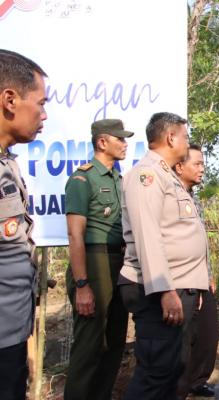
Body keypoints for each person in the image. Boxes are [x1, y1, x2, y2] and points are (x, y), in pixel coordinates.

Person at [118, 112, 209, 400]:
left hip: (178, 285)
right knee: (156, 372)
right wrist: (165, 289)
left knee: (172, 367)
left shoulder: (167, 176)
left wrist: (196, 283)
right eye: (185, 135)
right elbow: (148, 235)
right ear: (171, 137)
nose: (187, 141)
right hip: (159, 288)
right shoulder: (147, 175)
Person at [63, 119, 133, 400]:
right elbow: (75, 235)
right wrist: (82, 284)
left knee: (115, 342)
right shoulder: (82, 179)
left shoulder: (119, 179)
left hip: (118, 262)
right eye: (120, 139)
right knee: (90, 345)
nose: (125, 143)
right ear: (102, 142)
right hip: (93, 263)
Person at [0, 49, 47, 400]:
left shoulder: (8, 164)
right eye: (40, 103)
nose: (44, 115)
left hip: (11, 334)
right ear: (10, 99)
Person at [173, 144, 218, 399]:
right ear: (180, 167)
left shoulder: (195, 198)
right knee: (182, 338)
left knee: (208, 334)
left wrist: (208, 273)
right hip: (182, 278)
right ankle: (179, 387)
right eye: (197, 164)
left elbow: (201, 242)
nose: (202, 168)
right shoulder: (170, 196)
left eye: (202, 163)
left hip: (201, 276)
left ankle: (197, 380)